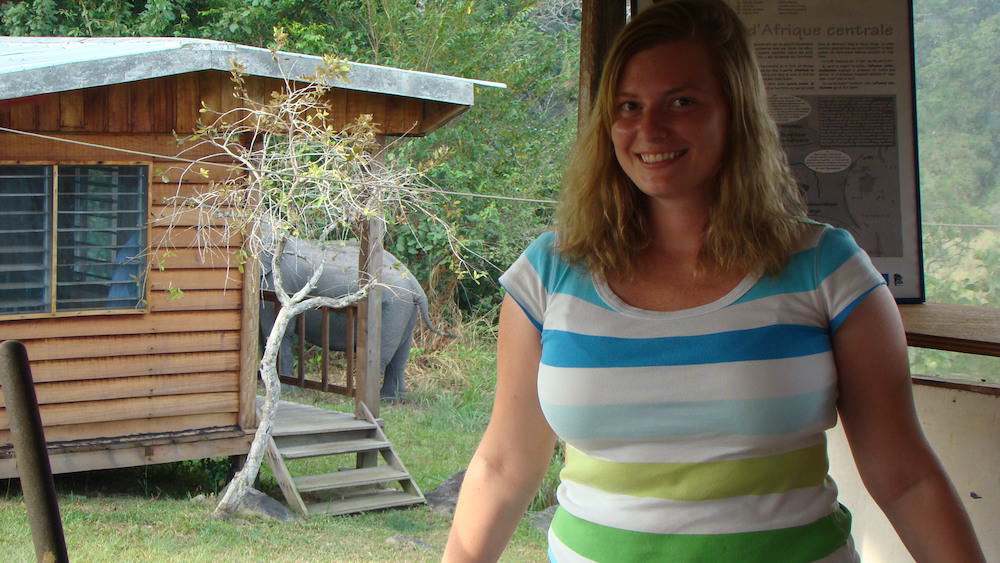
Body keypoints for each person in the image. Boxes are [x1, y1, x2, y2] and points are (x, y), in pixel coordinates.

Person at [442, 0, 985, 561]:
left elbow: (906, 477)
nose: (649, 128)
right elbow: (504, 466)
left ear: (736, 111)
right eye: (628, 105)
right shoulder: (549, 273)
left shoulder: (827, 267)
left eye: (681, 101)